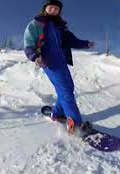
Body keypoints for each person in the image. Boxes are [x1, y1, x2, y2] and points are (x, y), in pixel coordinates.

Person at [23, 0, 95, 134]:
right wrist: (35, 56)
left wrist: (85, 44)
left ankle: (56, 113)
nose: (54, 11)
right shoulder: (37, 23)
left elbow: (72, 40)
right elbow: (28, 42)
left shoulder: (60, 26)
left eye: (56, 9)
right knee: (66, 91)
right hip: (49, 62)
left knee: (68, 88)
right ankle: (75, 123)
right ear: (45, 9)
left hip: (61, 61)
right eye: (51, 8)